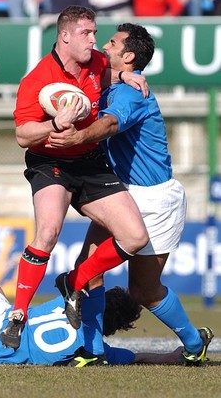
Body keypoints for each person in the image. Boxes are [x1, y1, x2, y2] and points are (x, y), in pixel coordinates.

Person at [47, 23, 214, 366]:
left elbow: (109, 125)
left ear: (129, 56)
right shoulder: (117, 81)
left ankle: (195, 343)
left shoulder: (130, 95)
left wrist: (77, 138)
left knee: (143, 291)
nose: (102, 46)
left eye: (111, 42)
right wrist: (121, 77)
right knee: (89, 268)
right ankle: (92, 351)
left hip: (155, 200)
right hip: (123, 192)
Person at [0, 5, 150, 350]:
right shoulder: (37, 79)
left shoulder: (97, 62)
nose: (95, 40)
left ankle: (73, 281)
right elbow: (23, 135)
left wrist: (125, 76)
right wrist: (55, 123)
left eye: (96, 33)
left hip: (89, 161)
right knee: (49, 231)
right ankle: (18, 315)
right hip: (50, 161)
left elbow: (107, 75)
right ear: (65, 36)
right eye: (87, 33)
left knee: (135, 236)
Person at [0, 237, 186, 366]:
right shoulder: (97, 351)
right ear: (115, 328)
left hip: (4, 320)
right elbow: (140, 357)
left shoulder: (65, 300)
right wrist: (172, 356)